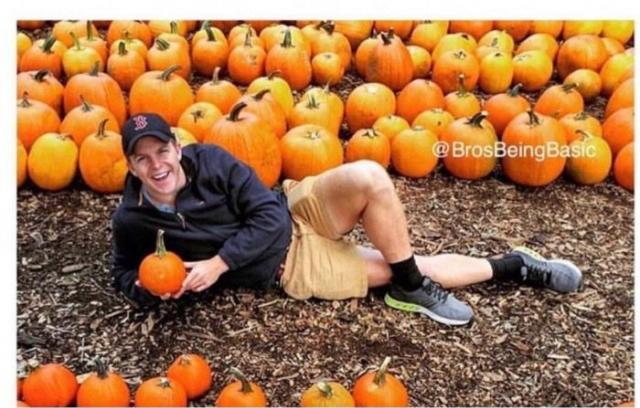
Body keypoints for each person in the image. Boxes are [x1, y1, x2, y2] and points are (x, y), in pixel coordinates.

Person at [111, 113, 583, 326]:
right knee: (410, 267)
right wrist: (151, 288)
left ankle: (410, 285)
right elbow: (124, 273)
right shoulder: (132, 220)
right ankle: (514, 266)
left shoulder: (212, 160)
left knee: (370, 175)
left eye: (162, 151)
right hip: (287, 265)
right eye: (142, 159)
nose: (157, 165)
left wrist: (219, 263)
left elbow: (269, 214)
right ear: (131, 167)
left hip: (293, 208)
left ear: (177, 147)